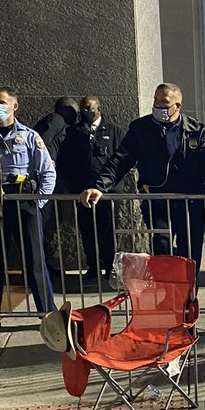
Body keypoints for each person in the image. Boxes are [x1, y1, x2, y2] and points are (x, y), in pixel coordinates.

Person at [79, 83, 205, 275]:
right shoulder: (141, 129)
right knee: (161, 246)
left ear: (178, 105)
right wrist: (99, 186)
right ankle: (166, 296)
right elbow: (120, 159)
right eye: (155, 100)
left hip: (191, 202)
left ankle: (188, 297)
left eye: (164, 102)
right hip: (157, 200)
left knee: (190, 253)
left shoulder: (196, 130)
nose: (158, 106)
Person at [0, 86, 56, 330]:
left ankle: (48, 314)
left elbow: (48, 172)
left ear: (14, 106)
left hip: (23, 201)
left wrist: (37, 203)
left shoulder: (29, 136)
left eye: (2, 102)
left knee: (34, 261)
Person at [56, 95, 124, 283]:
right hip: (82, 192)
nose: (86, 112)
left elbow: (122, 160)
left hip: (108, 194)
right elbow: (64, 161)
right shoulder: (73, 133)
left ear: (99, 109)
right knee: (87, 230)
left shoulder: (114, 131)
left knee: (108, 231)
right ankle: (93, 266)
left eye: (89, 108)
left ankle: (110, 267)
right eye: (83, 109)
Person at [34, 97, 78, 161]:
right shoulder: (57, 119)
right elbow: (43, 139)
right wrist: (48, 158)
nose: (75, 116)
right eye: (73, 111)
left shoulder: (60, 121)